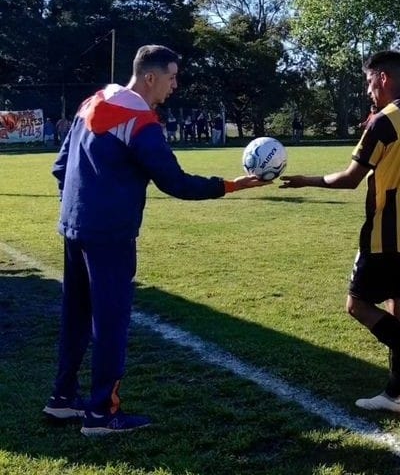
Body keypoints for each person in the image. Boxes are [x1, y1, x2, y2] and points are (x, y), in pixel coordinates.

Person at [44, 44, 269, 436]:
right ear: (150, 77)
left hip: (73, 228)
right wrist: (233, 185)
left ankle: (62, 399)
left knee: (77, 316)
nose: (175, 85)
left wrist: (81, 206)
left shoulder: (92, 101)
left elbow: (60, 167)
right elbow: (176, 182)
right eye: (172, 77)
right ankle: (101, 415)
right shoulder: (141, 121)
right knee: (110, 324)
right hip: (110, 235)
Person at [279, 50, 400, 416]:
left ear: (384, 78)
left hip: (385, 234)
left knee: (357, 305)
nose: (367, 90)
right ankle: (395, 394)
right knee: (398, 304)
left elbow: (350, 179)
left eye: (368, 81)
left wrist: (304, 181)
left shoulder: (383, 122)